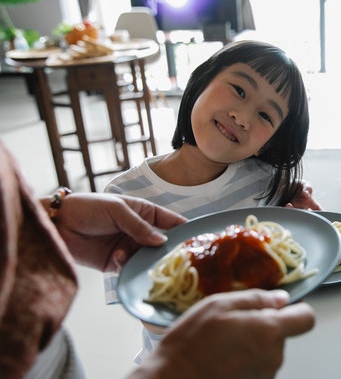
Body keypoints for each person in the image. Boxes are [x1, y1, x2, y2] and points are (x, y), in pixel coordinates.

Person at [0, 140, 315, 379]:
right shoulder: (131, 185)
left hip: (45, 354)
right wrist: (177, 369)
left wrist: (52, 214)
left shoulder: (258, 175)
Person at [101, 39, 321, 362]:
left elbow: (292, 227)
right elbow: (151, 316)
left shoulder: (262, 178)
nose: (242, 116)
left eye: (264, 116)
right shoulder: (124, 197)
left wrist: (299, 202)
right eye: (240, 90)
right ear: (203, 81)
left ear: (267, 144)